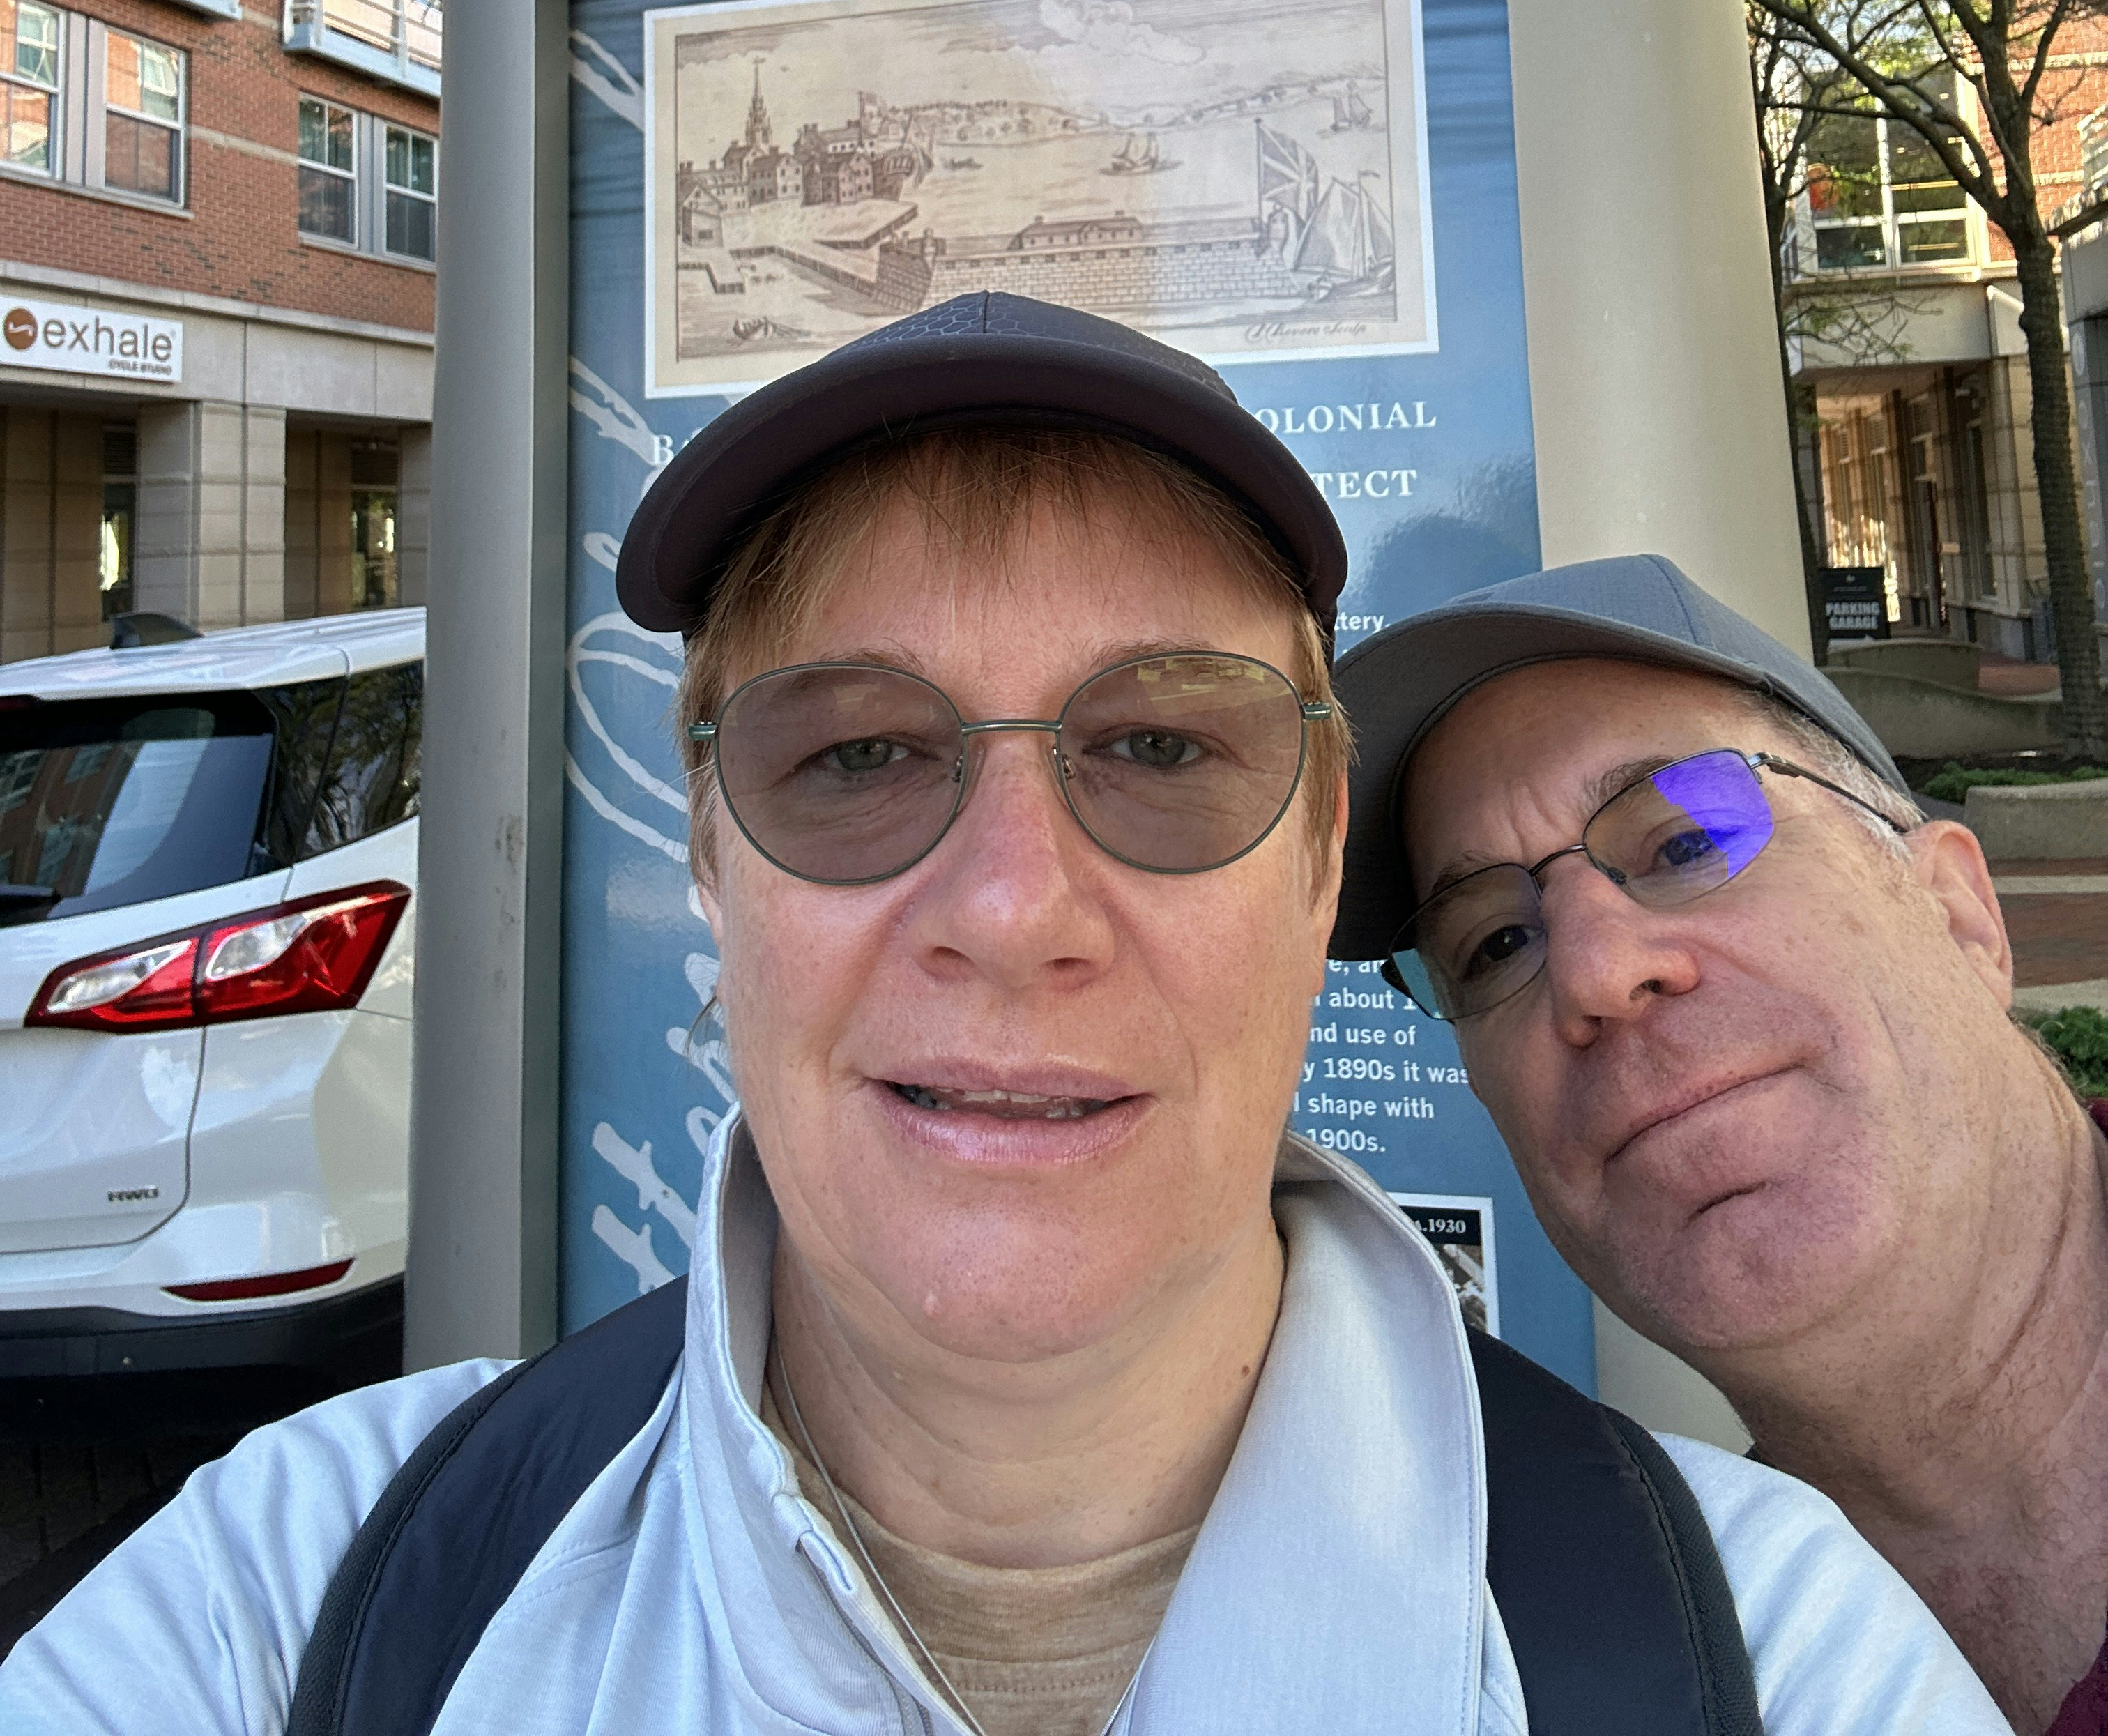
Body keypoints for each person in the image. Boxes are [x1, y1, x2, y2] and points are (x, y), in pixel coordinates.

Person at [3, 309, 2003, 1736]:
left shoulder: (1767, 1654)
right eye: (857, 757)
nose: (1015, 910)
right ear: (712, 866)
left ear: (1320, 867)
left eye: (1160, 748)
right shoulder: (305, 1601)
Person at [1333, 551, 2108, 1736]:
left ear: (1960, 916)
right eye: (1494, 945)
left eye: (1689, 840)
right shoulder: (1685, 1655)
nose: (1593, 974)